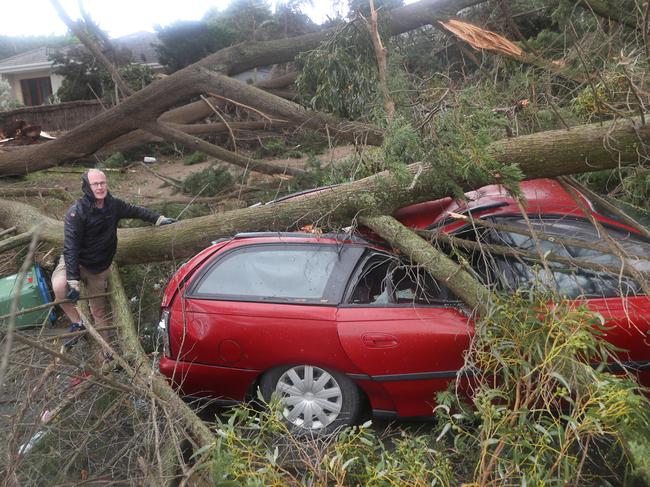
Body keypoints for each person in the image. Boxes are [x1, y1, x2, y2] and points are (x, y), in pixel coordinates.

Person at [52, 169, 174, 352]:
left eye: (103, 183)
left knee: (99, 312)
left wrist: (158, 219)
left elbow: (135, 210)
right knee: (59, 287)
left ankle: (107, 352)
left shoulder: (113, 205)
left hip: (99, 267)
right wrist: (73, 279)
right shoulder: (76, 212)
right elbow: (71, 247)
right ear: (87, 186)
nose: (100, 187)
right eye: (95, 184)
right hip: (76, 260)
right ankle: (78, 323)